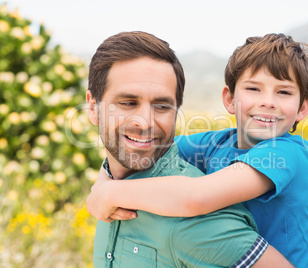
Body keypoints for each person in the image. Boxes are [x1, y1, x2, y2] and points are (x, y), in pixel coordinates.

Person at [86, 31, 293, 267]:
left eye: (162, 106)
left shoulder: (196, 224)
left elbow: (196, 197)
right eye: (127, 103)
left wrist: (110, 192)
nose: (145, 122)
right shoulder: (107, 188)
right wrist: (105, 186)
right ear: (93, 108)